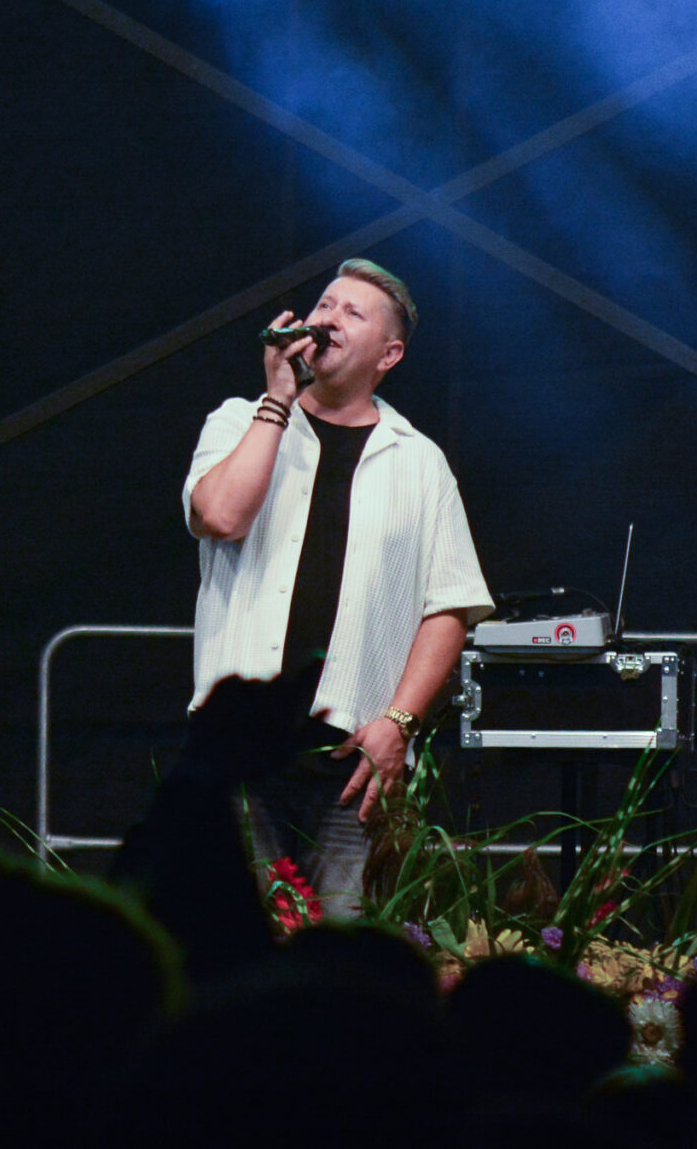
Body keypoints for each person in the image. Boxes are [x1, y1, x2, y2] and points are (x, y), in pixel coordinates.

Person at [182, 258, 494, 915]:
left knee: (344, 953)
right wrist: (277, 400)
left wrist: (400, 723)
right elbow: (221, 516)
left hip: (351, 760)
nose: (328, 318)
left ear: (389, 354)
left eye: (352, 312)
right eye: (324, 304)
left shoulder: (419, 461)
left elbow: (450, 606)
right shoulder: (239, 421)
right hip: (238, 746)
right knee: (230, 944)